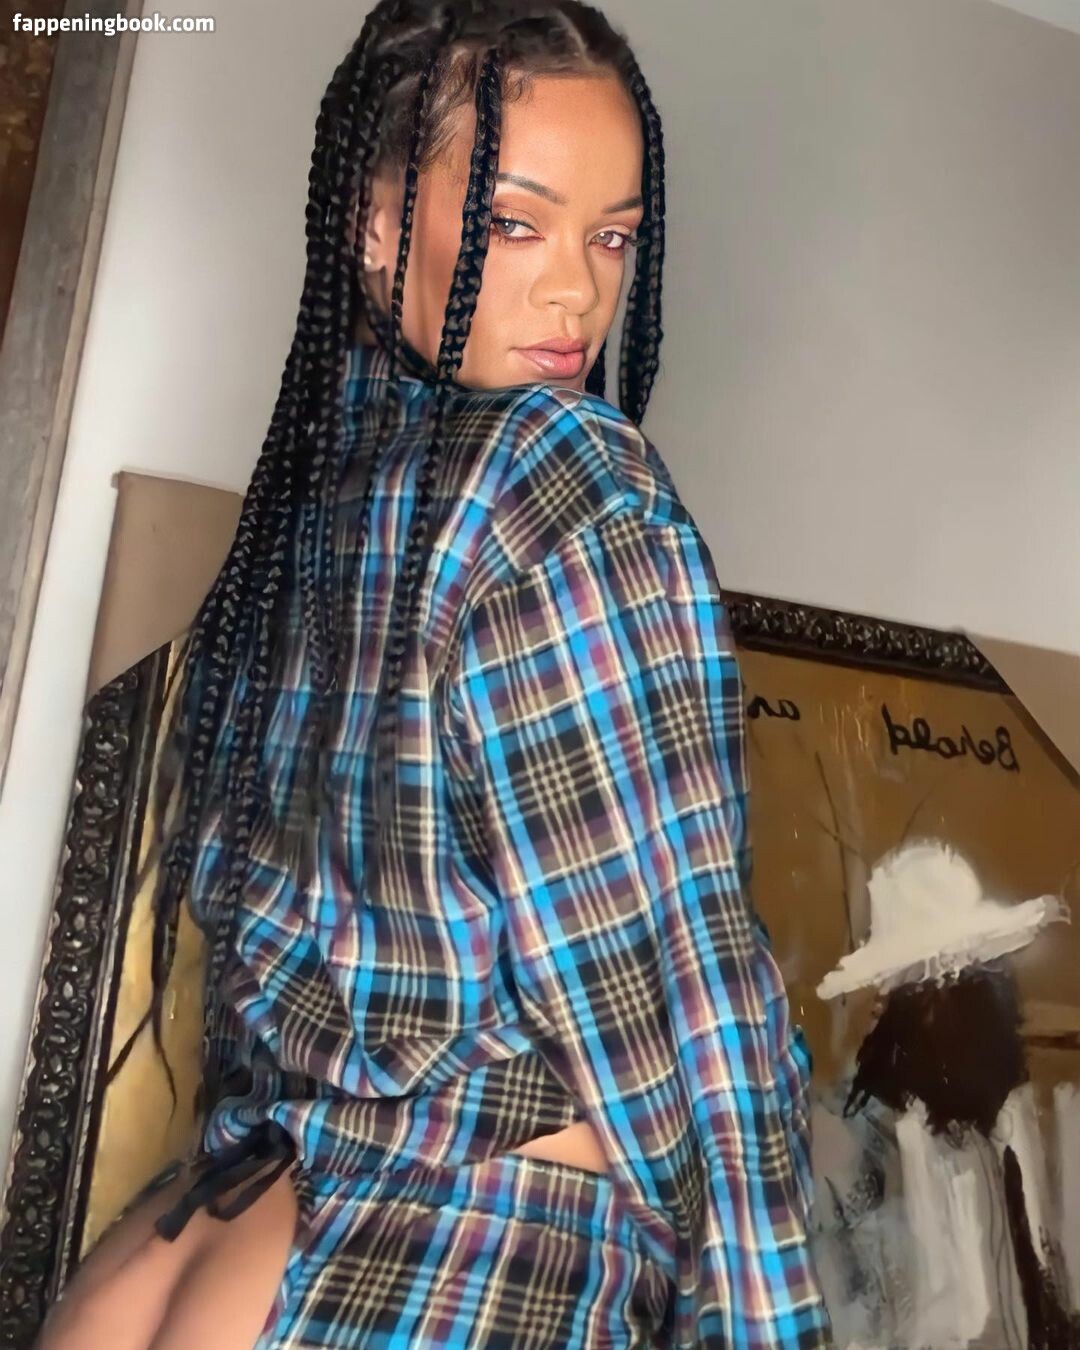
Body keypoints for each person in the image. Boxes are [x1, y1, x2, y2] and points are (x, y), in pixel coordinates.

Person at [37, 1, 830, 1345]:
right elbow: (683, 988)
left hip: (195, 1249)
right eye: (519, 223)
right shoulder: (564, 482)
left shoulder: (308, 519)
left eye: (613, 236)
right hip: (463, 1256)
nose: (577, 291)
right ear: (375, 221)